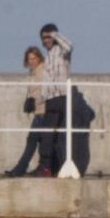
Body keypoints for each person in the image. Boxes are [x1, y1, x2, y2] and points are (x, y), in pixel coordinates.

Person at [5, 46, 51, 177]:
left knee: (32, 140)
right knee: (41, 142)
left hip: (43, 111)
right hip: (39, 111)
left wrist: (33, 103)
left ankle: (20, 169)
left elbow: (46, 91)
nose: (31, 61)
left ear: (39, 57)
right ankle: (40, 168)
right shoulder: (34, 72)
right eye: (29, 58)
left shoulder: (42, 70)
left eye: (34, 58)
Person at [36, 22, 73, 175]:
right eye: (43, 38)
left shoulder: (61, 51)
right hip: (51, 99)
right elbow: (46, 82)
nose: (46, 40)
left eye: (48, 37)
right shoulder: (48, 56)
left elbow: (69, 45)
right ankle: (48, 167)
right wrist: (39, 100)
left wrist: (55, 34)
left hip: (62, 97)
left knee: (53, 134)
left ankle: (48, 167)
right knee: (49, 135)